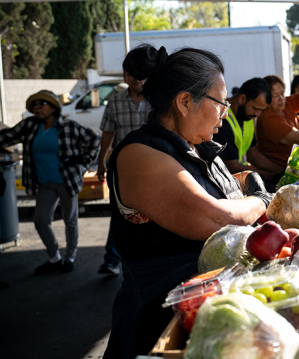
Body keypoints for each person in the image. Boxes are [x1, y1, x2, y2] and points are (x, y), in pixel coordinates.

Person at [103, 47, 273, 358]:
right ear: (184, 102)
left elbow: (224, 189)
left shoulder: (197, 146)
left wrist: (247, 181)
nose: (226, 112)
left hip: (204, 310)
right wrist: (261, 200)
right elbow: (216, 219)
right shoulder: (138, 155)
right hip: (160, 321)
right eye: (220, 102)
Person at [0, 90, 100, 274]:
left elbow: (94, 138)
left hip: (66, 181)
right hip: (45, 183)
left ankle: (70, 258)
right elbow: (7, 136)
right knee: (40, 220)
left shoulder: (67, 126)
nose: (37, 108)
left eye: (41, 104)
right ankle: (54, 257)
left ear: (53, 107)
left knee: (70, 220)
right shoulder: (30, 125)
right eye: (34, 106)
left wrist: (84, 161)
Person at [95, 44, 154, 275]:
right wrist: (101, 162)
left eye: (141, 75)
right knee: (120, 213)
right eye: (131, 74)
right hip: (122, 169)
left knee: (150, 213)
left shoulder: (158, 100)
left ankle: (145, 260)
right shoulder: (115, 101)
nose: (136, 79)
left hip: (154, 168)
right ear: (124, 75)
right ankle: (112, 260)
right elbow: (108, 133)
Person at [212, 77, 284, 182]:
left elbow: (252, 153)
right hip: (226, 182)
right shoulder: (222, 120)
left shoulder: (248, 116)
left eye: (261, 110)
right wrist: (268, 175)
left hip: (243, 179)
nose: (257, 114)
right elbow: (232, 166)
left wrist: (280, 171)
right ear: (242, 99)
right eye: (255, 108)